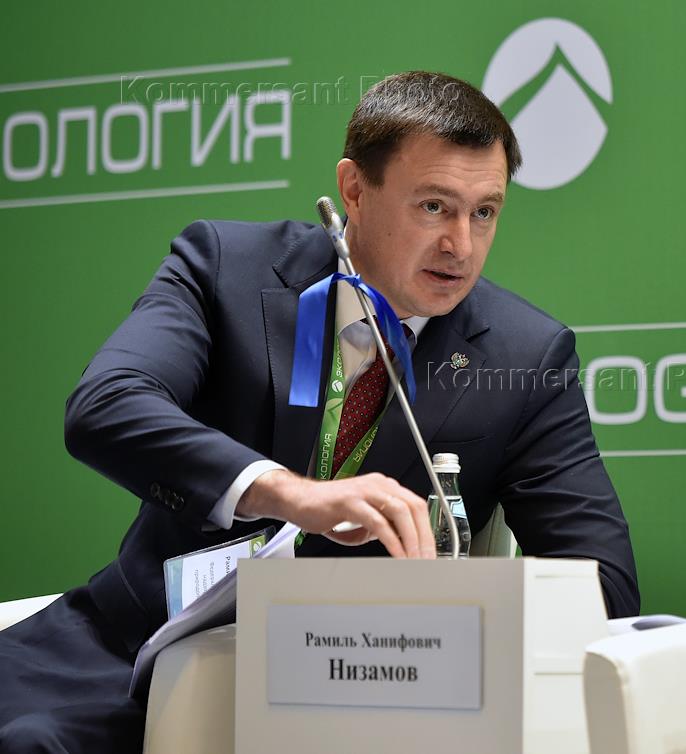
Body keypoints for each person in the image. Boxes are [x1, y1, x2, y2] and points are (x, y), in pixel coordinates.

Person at [0, 71, 638, 752]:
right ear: (354, 190)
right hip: (129, 651)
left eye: (484, 212)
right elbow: (107, 404)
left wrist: (454, 619)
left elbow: (601, 588)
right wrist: (287, 493)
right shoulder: (226, 268)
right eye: (434, 207)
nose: (461, 245)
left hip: (363, 693)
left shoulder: (526, 357)